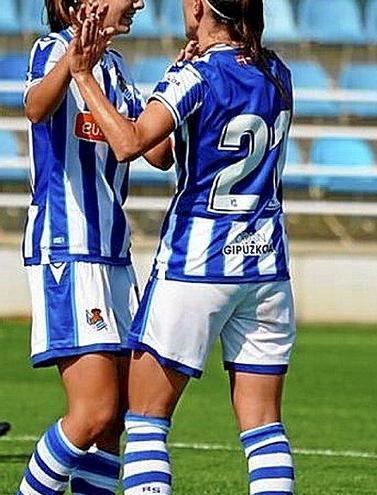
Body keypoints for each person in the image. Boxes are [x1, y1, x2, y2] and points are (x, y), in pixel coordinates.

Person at [66, 0, 296, 493]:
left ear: (197, 7)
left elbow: (129, 144)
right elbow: (164, 154)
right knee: (262, 424)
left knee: (147, 418)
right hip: (266, 268)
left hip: (198, 263)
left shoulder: (196, 77)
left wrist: (84, 76)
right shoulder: (277, 71)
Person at [15, 2, 171, 495]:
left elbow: (158, 153)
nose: (139, 3)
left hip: (113, 255)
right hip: (68, 250)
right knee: (92, 411)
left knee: (112, 423)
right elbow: (36, 107)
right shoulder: (53, 50)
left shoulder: (118, 69)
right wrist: (74, 66)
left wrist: (185, 80)